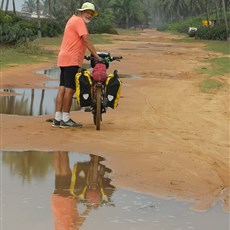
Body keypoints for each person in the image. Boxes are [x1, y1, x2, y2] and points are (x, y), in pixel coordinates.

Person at [52, 2, 101, 128]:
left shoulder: (72, 20)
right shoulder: (79, 21)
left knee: (62, 87)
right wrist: (96, 56)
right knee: (70, 89)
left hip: (63, 58)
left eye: (91, 14)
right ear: (81, 12)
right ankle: (66, 119)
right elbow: (86, 38)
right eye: (87, 13)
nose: (89, 15)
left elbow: (75, 40)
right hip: (71, 60)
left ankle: (57, 118)